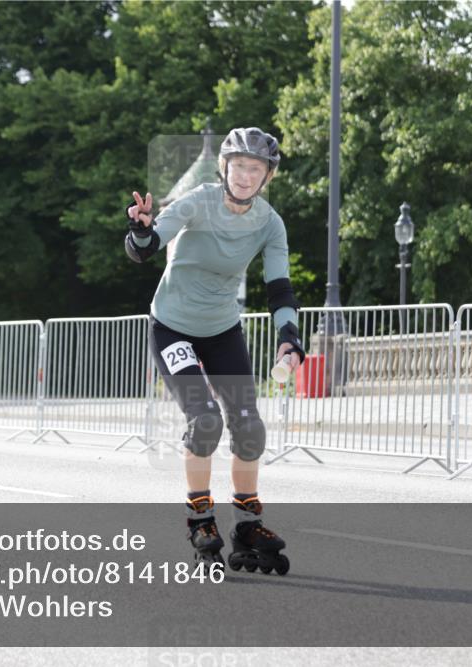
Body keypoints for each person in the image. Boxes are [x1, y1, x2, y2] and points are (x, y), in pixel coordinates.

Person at [124, 127, 303, 575]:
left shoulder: (270, 223)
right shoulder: (198, 201)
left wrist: (289, 338)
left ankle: (247, 524)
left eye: (255, 169)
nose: (245, 176)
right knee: (205, 421)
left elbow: (280, 289)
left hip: (222, 331)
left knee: (249, 427)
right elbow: (147, 246)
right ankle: (200, 518)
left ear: (267, 176)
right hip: (173, 329)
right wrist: (141, 230)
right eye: (239, 166)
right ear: (224, 167)